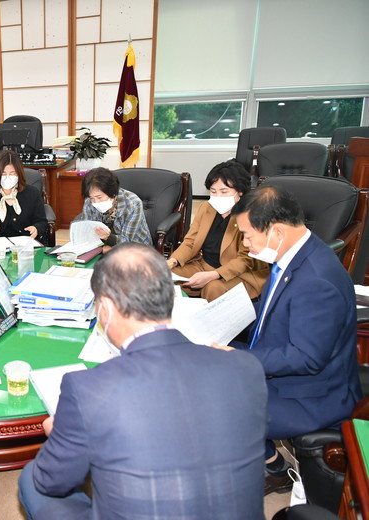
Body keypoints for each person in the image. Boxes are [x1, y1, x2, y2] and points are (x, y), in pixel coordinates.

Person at [18, 243, 268, 520]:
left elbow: (51, 481)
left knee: (33, 477)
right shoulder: (246, 367)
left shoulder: (88, 389)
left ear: (107, 309)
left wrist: (63, 434)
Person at [227, 186, 361, 494]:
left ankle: (270, 468)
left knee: (214, 401)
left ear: (276, 231)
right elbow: (275, 309)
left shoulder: (316, 280)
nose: (245, 244)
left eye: (247, 235)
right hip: (284, 367)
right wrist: (223, 316)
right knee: (206, 369)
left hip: (312, 395)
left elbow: (306, 358)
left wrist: (236, 357)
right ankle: (272, 463)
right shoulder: (296, 254)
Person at [167, 160, 269, 301]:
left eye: (224, 191)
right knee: (164, 276)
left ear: (240, 192)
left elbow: (246, 259)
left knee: (213, 287)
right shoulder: (206, 208)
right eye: (213, 191)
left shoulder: (251, 214)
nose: (217, 197)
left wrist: (214, 275)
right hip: (204, 266)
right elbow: (191, 241)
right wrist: (172, 261)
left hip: (240, 274)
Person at [71, 167, 151, 250]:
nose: (96, 203)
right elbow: (86, 230)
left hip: (136, 248)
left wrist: (109, 240)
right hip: (102, 245)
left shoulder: (133, 204)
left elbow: (127, 240)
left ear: (113, 193)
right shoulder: (89, 201)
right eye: (92, 198)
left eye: (99, 197)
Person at [0, 150, 48, 240]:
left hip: (25, 243)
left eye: (12, 173)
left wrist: (36, 229)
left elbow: (42, 222)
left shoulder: (32, 193)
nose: (7, 177)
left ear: (19, 173)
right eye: (3, 174)